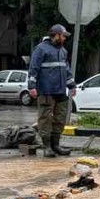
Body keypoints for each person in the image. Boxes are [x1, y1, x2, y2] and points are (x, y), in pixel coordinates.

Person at [28, 24, 76, 158]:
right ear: (56, 35)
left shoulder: (63, 51)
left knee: (60, 118)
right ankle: (47, 147)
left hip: (60, 91)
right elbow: (33, 69)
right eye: (63, 36)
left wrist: (72, 85)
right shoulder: (41, 49)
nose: (65, 39)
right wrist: (31, 86)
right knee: (45, 119)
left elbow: (66, 70)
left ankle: (56, 145)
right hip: (46, 91)